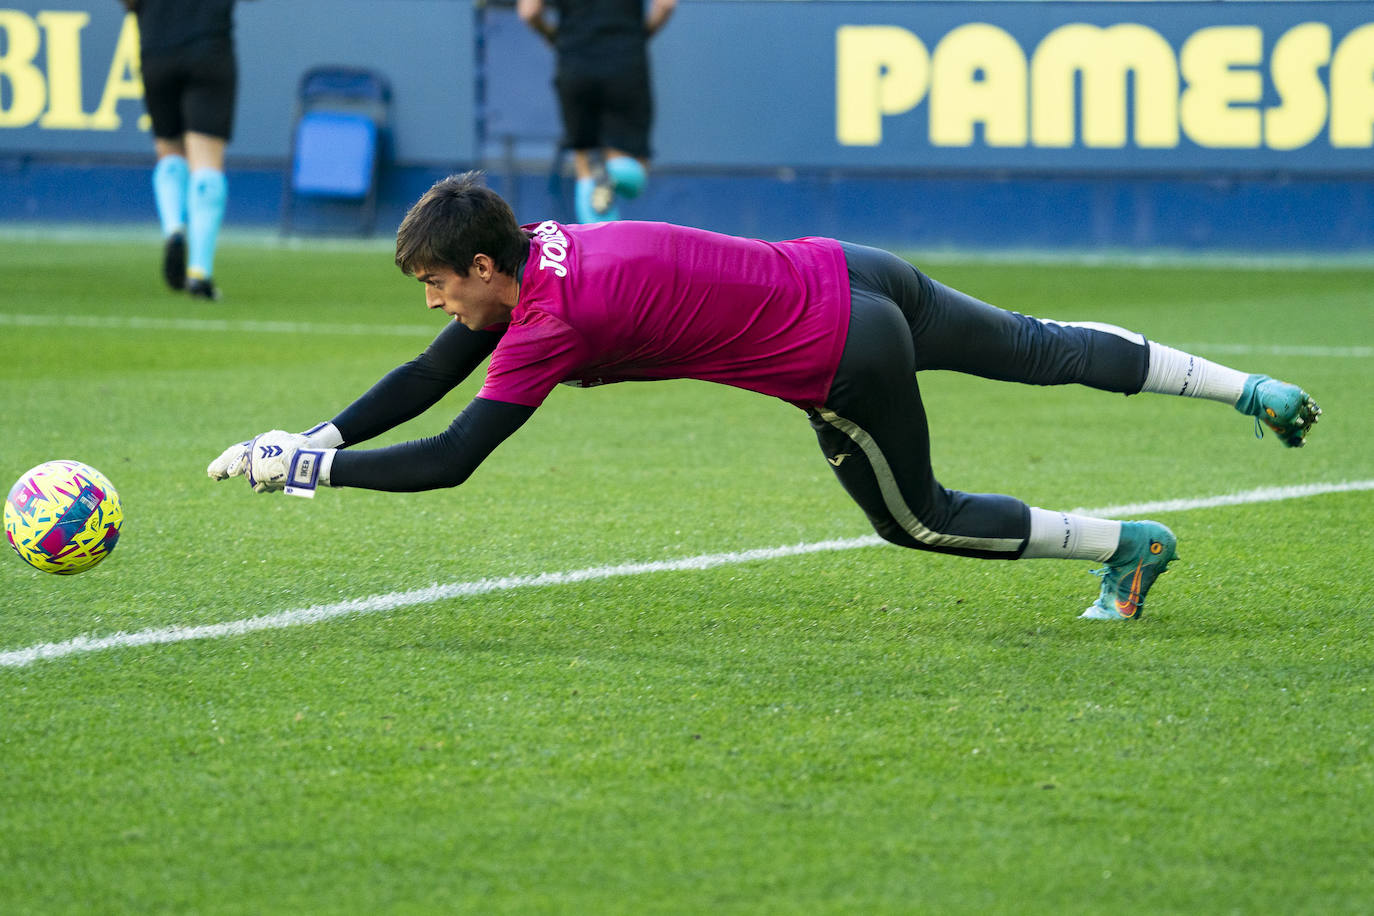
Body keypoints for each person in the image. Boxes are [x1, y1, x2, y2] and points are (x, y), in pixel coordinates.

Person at [207, 172, 1322, 620]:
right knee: (1038, 343)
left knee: (918, 518)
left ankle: (1126, 545)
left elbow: (454, 452)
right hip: (853, 267)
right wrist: (322, 434)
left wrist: (308, 469)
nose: (436, 305)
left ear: (487, 270)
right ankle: (1246, 389)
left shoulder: (550, 321)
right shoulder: (543, 250)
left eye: (439, 285)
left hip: (840, 353)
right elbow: (438, 369)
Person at [123, 0, 247, 300]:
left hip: (157, 48)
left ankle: (174, 229)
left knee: (169, 150)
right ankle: (199, 273)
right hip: (208, 48)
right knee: (206, 159)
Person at [517, 0, 676, 224]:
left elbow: (529, 11)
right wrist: (643, 34)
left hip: (575, 63)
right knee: (633, 173)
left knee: (586, 165)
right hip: (626, 60)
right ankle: (610, 175)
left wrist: (555, 37)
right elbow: (666, 5)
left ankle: (600, 249)